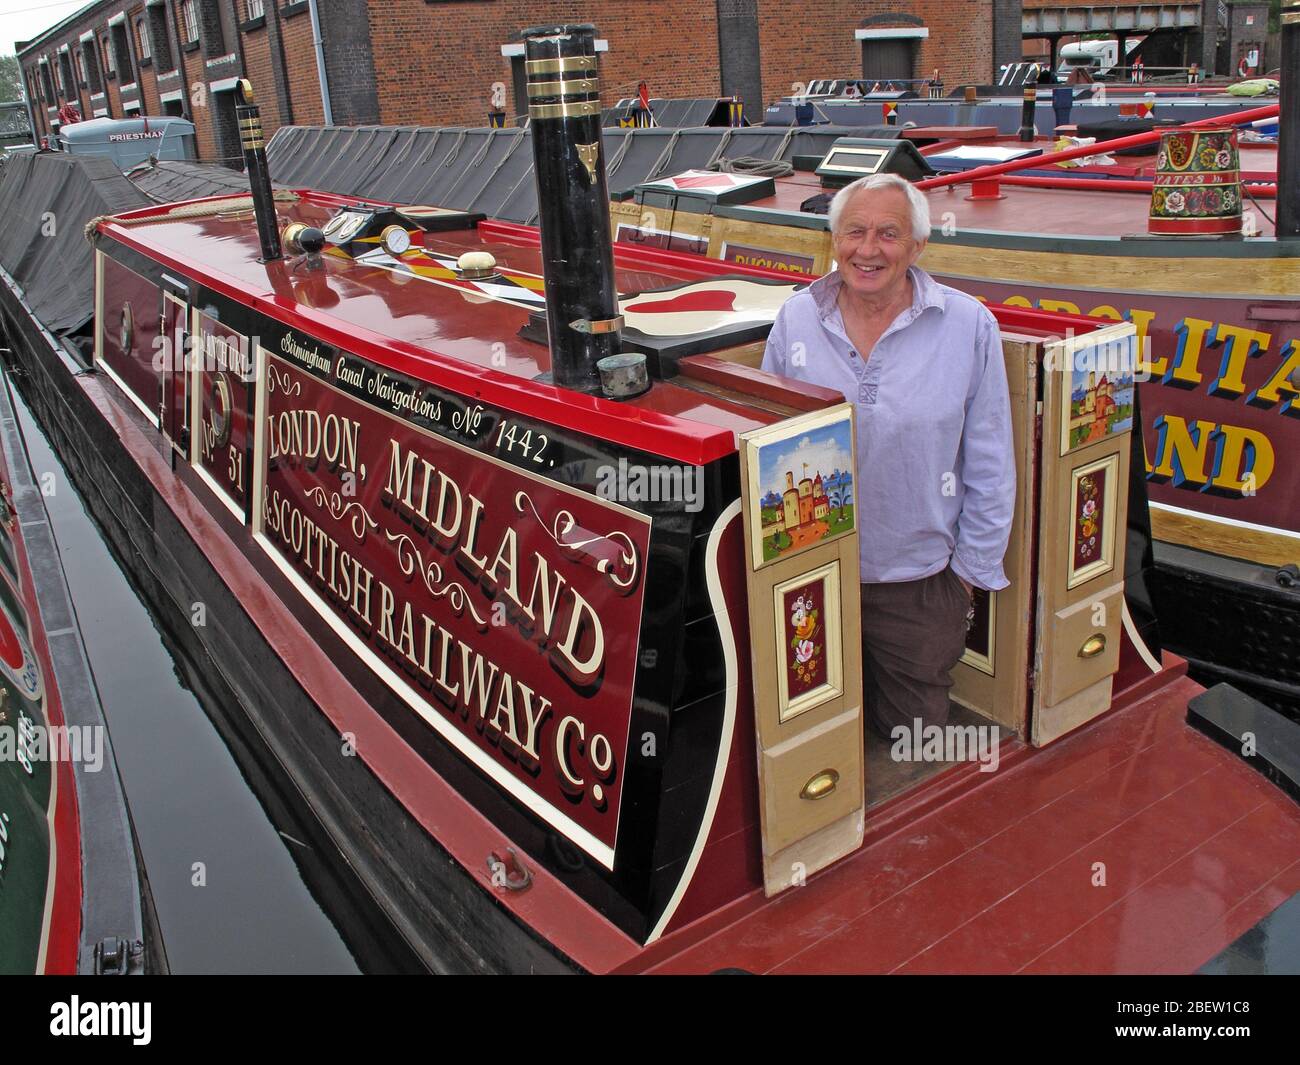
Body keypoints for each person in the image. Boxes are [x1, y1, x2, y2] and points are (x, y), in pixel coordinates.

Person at [761, 173, 1015, 739]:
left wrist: (966, 578)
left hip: (919, 583)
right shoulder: (796, 318)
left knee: (914, 742)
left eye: (888, 234)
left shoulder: (968, 325)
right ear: (834, 239)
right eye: (854, 231)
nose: (868, 249)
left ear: (918, 247)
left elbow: (991, 461)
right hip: (813, 573)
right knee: (813, 741)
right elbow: (768, 446)